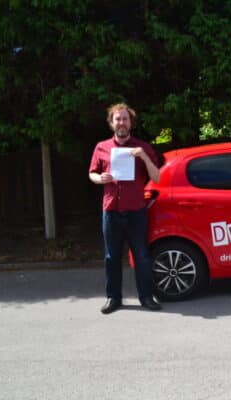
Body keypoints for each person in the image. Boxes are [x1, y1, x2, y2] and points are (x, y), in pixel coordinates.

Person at [89, 103, 161, 313]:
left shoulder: (142, 147)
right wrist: (99, 178)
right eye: (117, 119)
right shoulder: (101, 147)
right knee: (112, 257)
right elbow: (92, 173)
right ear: (112, 123)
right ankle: (113, 298)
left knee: (141, 255)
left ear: (131, 123)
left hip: (136, 211)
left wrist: (144, 157)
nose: (121, 122)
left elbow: (156, 177)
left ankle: (147, 297)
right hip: (111, 211)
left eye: (125, 119)